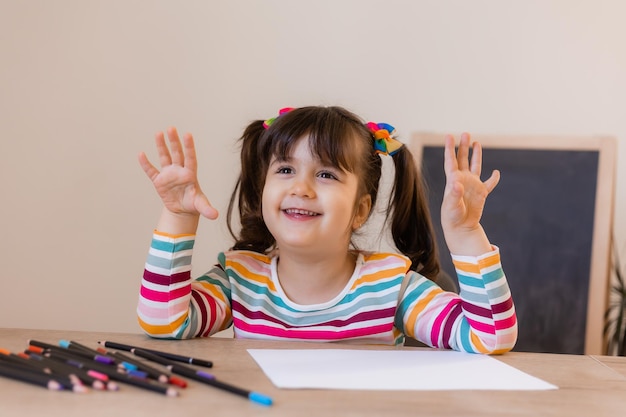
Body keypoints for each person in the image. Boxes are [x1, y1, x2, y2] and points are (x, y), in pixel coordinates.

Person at [136, 106, 517, 354]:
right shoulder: (240, 281)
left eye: (325, 174)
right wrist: (179, 217)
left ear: (359, 210)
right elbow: (164, 322)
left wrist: (466, 232)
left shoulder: (391, 287)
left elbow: (489, 336)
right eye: (285, 170)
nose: (300, 188)